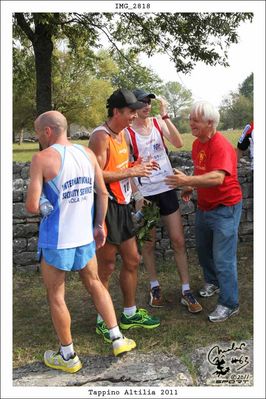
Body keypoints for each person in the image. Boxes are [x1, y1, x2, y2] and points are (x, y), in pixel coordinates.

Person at [25, 110, 136, 374]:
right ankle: (117, 338)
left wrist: (42, 204)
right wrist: (99, 225)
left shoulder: (42, 159)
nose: (38, 137)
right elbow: (103, 193)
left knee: (56, 295)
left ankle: (68, 355)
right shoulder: (86, 154)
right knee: (95, 283)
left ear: (48, 131)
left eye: (39, 132)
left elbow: (31, 205)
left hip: (57, 239)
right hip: (85, 235)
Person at [89, 88, 160, 342]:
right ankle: (102, 320)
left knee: (132, 259)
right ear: (117, 111)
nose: (134, 115)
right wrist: (132, 172)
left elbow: (120, 167)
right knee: (106, 267)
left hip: (123, 204)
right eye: (130, 111)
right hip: (106, 206)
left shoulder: (122, 135)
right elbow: (97, 176)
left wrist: (137, 169)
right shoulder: (101, 136)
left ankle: (129, 314)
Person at [125, 88, 202, 313]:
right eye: (141, 103)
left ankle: (186, 290)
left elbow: (178, 143)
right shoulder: (128, 132)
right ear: (133, 107)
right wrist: (137, 196)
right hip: (146, 193)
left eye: (148, 102)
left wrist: (166, 115)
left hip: (166, 187)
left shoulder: (159, 122)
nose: (146, 106)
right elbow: (125, 167)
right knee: (148, 243)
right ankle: (154, 286)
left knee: (178, 240)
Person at [165, 101, 243, 322]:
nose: (191, 123)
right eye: (190, 119)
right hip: (205, 208)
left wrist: (187, 180)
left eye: (195, 120)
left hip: (225, 209)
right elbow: (204, 172)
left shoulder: (221, 146)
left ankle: (230, 303)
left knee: (224, 259)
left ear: (210, 123)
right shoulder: (198, 144)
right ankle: (213, 282)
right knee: (203, 250)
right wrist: (191, 186)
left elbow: (218, 177)